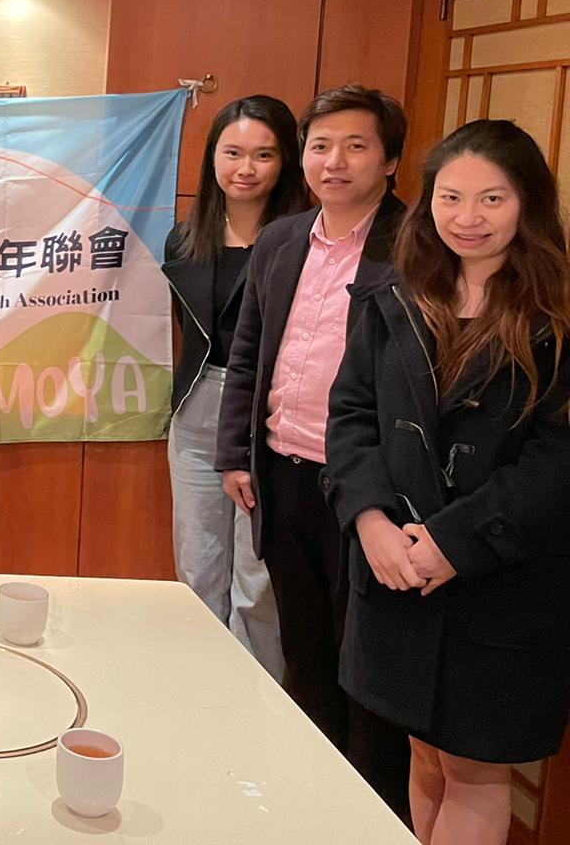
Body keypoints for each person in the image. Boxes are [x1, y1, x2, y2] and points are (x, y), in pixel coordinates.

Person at [325, 120, 570, 845]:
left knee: (474, 771)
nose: (468, 218)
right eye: (451, 197)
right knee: (425, 757)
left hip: (501, 580)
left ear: (527, 202)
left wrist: (452, 543)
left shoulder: (556, 313)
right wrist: (369, 520)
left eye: (492, 198)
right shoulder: (395, 294)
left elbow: (558, 461)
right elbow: (351, 416)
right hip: (396, 571)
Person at [214, 82, 412, 817]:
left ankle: (370, 816)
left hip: (370, 491)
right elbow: (249, 351)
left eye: (356, 146)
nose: (335, 162)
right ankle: (311, 806)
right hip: (281, 472)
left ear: (389, 160)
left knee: (367, 666)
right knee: (305, 655)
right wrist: (236, 453)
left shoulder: (416, 244)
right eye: (321, 146)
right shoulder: (282, 239)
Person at [163, 95, 306, 679]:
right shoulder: (184, 238)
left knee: (257, 576)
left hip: (271, 415)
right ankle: (201, 687)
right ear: (212, 158)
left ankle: (257, 696)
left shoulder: (305, 241)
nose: (245, 168)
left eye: (264, 155)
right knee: (198, 568)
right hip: (198, 408)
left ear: (286, 161)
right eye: (232, 153)